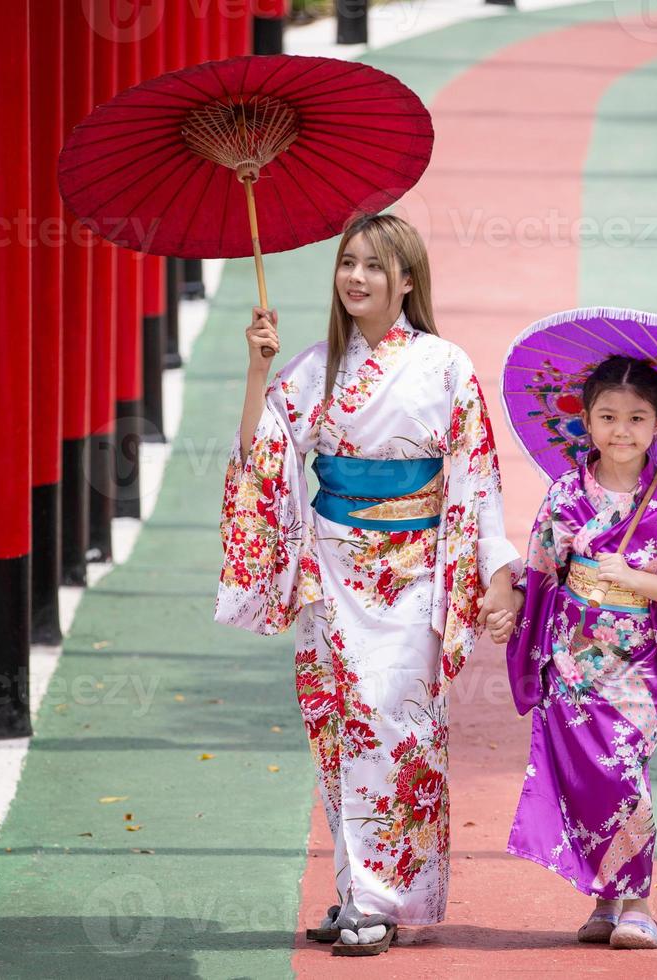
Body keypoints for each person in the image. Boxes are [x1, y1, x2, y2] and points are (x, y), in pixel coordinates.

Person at [215, 212, 522, 956]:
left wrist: (498, 574)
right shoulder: (312, 368)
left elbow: (476, 481)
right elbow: (263, 460)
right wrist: (260, 367)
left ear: (408, 280)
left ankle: (384, 897)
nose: (356, 277)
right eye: (347, 263)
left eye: (374, 266)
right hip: (331, 567)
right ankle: (357, 891)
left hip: (415, 569)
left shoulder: (446, 365)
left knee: (395, 721)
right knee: (339, 729)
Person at [486, 355, 657, 950]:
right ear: (586, 423)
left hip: (636, 664)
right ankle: (605, 898)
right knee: (585, 777)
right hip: (570, 658)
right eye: (608, 416)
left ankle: (638, 900)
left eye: (637, 418)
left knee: (623, 769)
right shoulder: (566, 495)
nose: (622, 431)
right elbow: (540, 573)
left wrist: (636, 579)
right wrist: (509, 606)